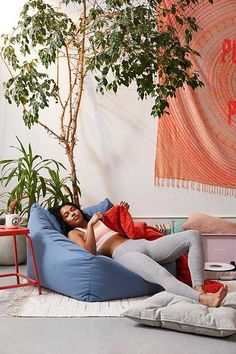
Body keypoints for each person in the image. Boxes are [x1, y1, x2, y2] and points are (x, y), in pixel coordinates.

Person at [49, 201, 228, 307]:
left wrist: (121, 211)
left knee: (193, 235)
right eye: (66, 215)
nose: (72, 214)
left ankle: (198, 287)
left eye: (72, 209)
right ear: (64, 221)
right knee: (161, 275)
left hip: (142, 244)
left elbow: (123, 225)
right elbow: (90, 252)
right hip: (123, 254)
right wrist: (89, 225)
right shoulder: (75, 233)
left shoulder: (102, 217)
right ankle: (204, 299)